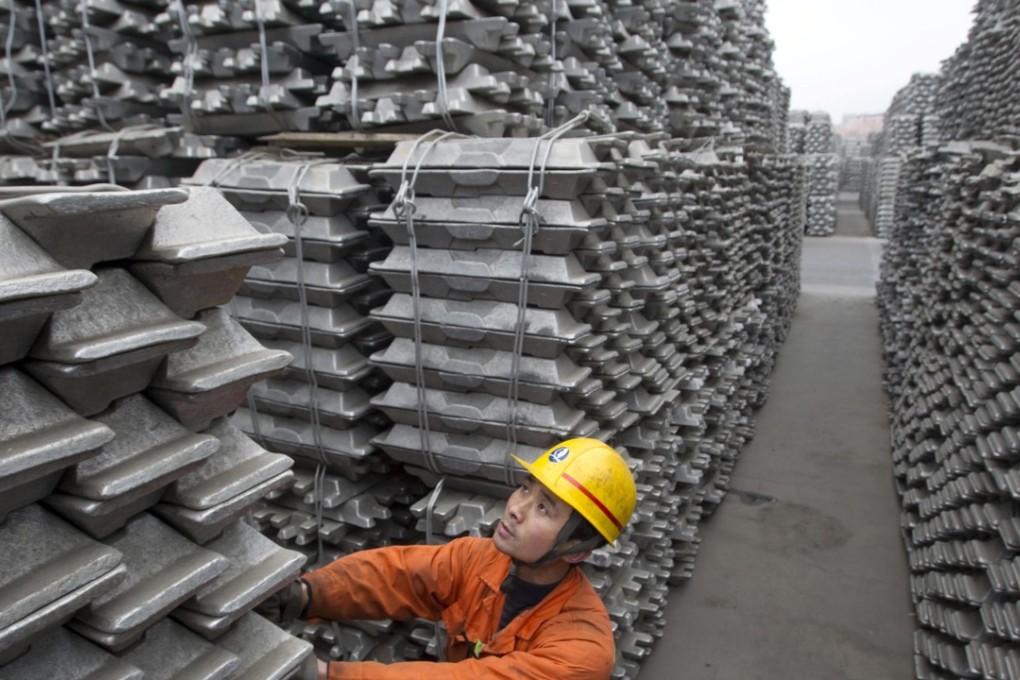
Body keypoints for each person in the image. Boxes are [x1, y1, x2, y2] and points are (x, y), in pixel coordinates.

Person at [259, 437, 638, 680]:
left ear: (578, 551)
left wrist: (328, 675)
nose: (516, 509)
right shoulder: (480, 560)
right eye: (525, 489)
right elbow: (398, 575)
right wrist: (306, 594)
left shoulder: (582, 652)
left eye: (544, 508)